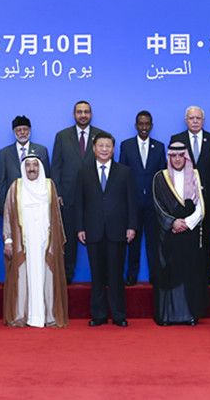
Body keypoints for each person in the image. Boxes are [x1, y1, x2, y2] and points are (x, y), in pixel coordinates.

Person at [74, 133, 137, 327]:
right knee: (97, 275)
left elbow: (131, 201)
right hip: (93, 230)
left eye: (108, 146)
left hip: (118, 230)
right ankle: (99, 315)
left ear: (113, 149)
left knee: (117, 274)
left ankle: (119, 315)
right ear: (94, 148)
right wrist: (80, 227)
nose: (104, 149)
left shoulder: (124, 171)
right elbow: (79, 202)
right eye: (100, 145)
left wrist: (132, 226)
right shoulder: (84, 172)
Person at [3, 156, 68, 328]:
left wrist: (55, 241)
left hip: (45, 241)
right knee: (23, 276)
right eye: (28, 165)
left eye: (35, 165)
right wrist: (8, 239)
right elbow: (8, 213)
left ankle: (48, 315)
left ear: (40, 168)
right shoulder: (16, 187)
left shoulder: (49, 186)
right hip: (23, 242)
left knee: (47, 276)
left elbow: (56, 216)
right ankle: (23, 315)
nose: (31, 169)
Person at [151, 142, 209, 326]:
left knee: (189, 274)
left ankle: (189, 315)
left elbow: (201, 204)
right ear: (169, 157)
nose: (177, 159)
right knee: (168, 274)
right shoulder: (160, 177)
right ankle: (167, 316)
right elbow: (157, 204)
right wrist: (172, 222)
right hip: (168, 235)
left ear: (186, 157)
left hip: (189, 234)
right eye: (173, 156)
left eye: (180, 156)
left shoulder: (196, 175)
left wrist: (188, 223)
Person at [169, 106, 210, 284]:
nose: (194, 121)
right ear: (186, 121)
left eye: (198, 118)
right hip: (184, 200)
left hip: (207, 200)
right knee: (185, 240)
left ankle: (207, 274)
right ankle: (185, 275)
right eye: (191, 118)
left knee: (206, 238)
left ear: (203, 121)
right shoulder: (177, 139)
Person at [52, 100, 104, 283]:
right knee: (69, 240)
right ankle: (67, 275)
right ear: (74, 114)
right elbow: (56, 166)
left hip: (95, 197)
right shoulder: (62, 136)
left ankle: (100, 276)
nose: (83, 115)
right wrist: (57, 192)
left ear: (91, 114)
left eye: (86, 112)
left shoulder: (101, 136)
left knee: (97, 238)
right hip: (67, 197)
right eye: (79, 112)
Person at [118, 110, 165, 285]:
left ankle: (155, 274)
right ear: (136, 125)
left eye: (147, 124)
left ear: (151, 126)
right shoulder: (126, 145)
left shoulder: (159, 147)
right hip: (133, 203)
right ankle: (132, 275)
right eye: (141, 123)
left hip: (153, 204)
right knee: (133, 242)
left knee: (154, 242)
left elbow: (162, 176)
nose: (144, 127)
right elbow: (122, 174)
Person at [0, 115, 51, 207]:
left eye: (25, 129)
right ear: (14, 132)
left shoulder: (41, 150)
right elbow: (2, 181)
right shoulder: (4, 153)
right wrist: (3, 206)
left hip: (36, 200)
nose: (22, 132)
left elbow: (46, 177)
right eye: (19, 130)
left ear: (30, 130)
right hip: (13, 200)